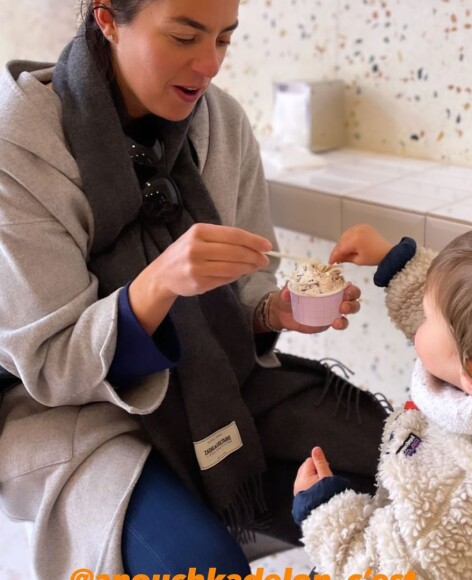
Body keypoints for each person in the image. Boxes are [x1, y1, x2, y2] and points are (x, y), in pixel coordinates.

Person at [0, 1, 387, 578]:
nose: (209, 65)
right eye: (184, 36)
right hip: (75, 416)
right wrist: (157, 283)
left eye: (224, 40)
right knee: (204, 566)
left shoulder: (221, 123)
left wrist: (273, 311)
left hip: (219, 381)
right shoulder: (19, 148)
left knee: (408, 468)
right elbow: (53, 364)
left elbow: (248, 285)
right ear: (107, 19)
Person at [293, 224, 472, 579]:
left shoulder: (449, 505)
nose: (421, 322)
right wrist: (394, 262)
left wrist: (324, 511)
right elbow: (469, 326)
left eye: (428, 318)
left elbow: (372, 568)